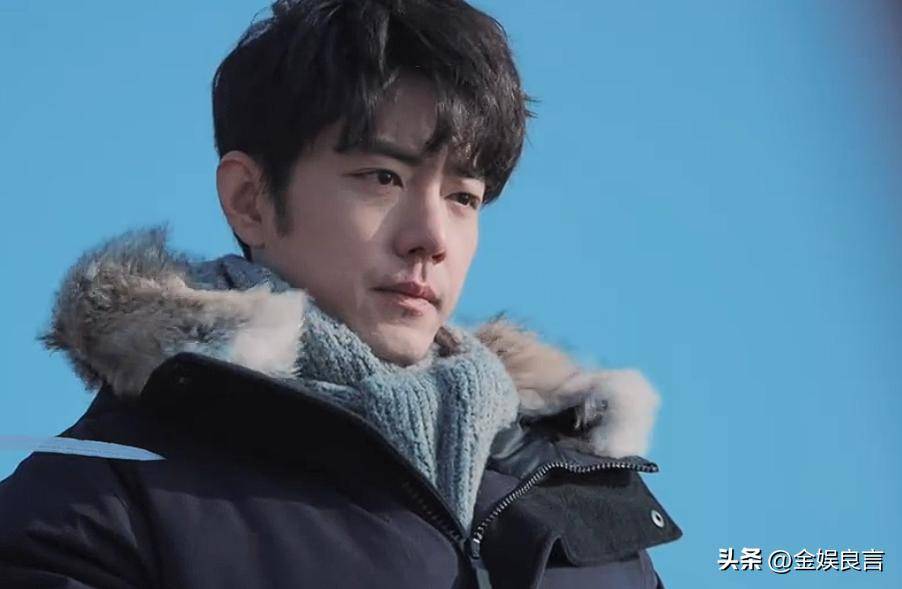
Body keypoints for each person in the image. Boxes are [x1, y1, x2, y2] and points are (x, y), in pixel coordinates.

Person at [0, 0, 682, 587]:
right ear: (250, 199)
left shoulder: (584, 494)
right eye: (383, 178)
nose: (430, 238)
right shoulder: (97, 500)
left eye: (463, 197)